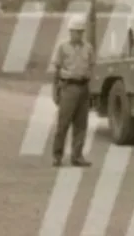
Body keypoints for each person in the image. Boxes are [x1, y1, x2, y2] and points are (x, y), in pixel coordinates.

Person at [51, 13, 95, 167]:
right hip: (68, 87)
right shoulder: (62, 48)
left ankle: (77, 156)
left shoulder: (88, 48)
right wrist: (55, 90)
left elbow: (91, 67)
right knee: (63, 123)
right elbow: (56, 70)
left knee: (81, 124)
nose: (78, 34)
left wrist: (90, 90)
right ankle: (57, 156)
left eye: (81, 31)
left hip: (83, 87)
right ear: (70, 31)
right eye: (75, 31)